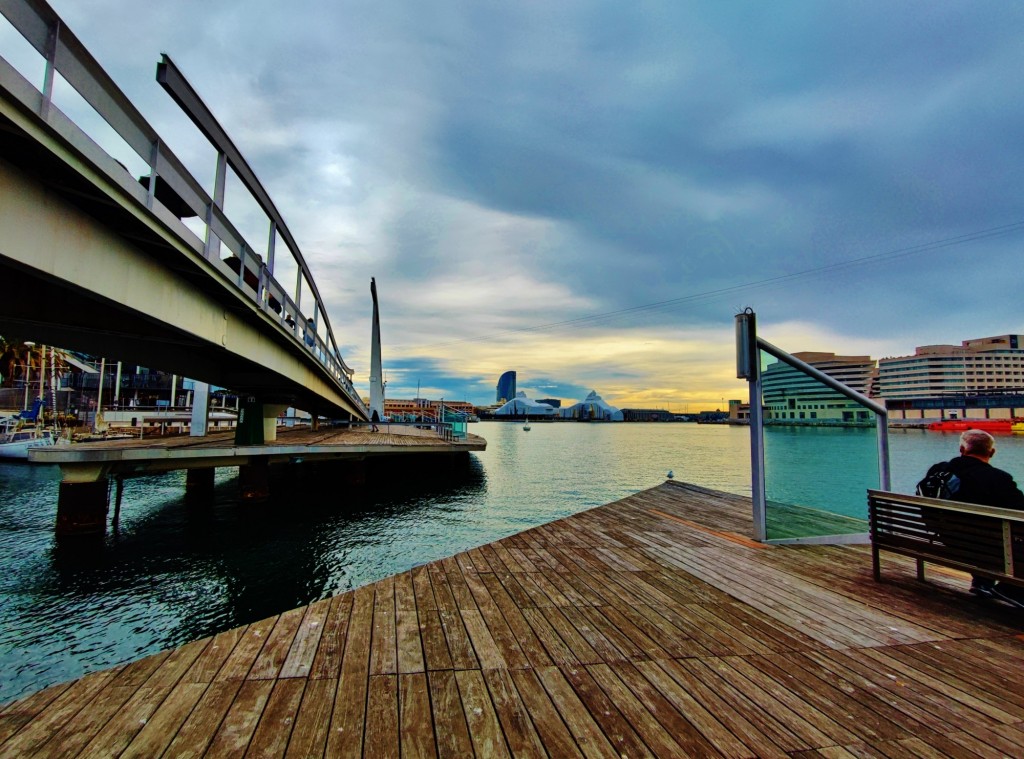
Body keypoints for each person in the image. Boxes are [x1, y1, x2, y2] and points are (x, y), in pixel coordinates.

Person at [923, 429, 1024, 600]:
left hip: (946, 537)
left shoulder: (938, 470)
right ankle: (1011, 588)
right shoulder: (998, 478)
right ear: (992, 452)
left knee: (979, 530)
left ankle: (982, 582)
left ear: (962, 449)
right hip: (982, 544)